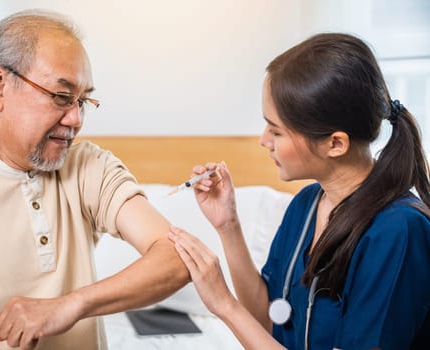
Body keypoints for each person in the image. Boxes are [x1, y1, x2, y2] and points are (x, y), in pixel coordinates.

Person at [0, 9, 189, 350]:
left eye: (83, 100)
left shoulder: (87, 166)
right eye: (61, 97)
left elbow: (177, 257)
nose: (76, 119)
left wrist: (70, 305)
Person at [168, 32, 430, 350]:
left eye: (276, 130)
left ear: (335, 143)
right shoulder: (306, 204)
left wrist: (224, 305)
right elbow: (268, 319)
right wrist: (228, 225)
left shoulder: (398, 232)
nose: (264, 140)